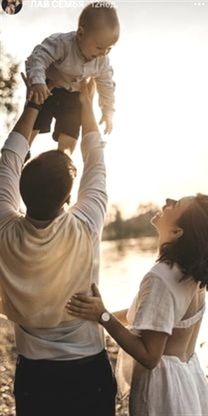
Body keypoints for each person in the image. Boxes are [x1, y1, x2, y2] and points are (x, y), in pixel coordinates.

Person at [0, 78, 116, 416]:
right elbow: (96, 159)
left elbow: (9, 158)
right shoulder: (85, 225)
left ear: (21, 191)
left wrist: (33, 105)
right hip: (87, 370)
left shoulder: (5, 230)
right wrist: (87, 104)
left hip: (35, 374)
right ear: (69, 198)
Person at [66, 195, 208, 415]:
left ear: (177, 232)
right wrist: (95, 315)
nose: (168, 200)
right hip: (189, 381)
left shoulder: (161, 278)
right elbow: (148, 318)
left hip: (164, 391)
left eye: (177, 205)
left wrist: (104, 317)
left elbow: (149, 356)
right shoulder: (193, 274)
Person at [25, 1, 120, 155]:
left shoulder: (101, 61)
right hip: (48, 89)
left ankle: (63, 161)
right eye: (99, 47)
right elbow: (38, 58)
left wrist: (108, 111)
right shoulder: (62, 44)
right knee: (34, 123)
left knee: (70, 134)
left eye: (108, 49)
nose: (103, 53)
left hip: (73, 97)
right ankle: (22, 151)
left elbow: (107, 85)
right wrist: (37, 82)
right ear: (81, 34)